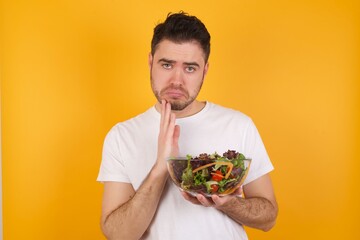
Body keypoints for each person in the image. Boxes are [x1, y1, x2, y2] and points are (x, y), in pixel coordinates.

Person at [97, 11, 278, 240]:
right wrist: (161, 168)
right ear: (151, 62)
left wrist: (227, 203)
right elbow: (118, 234)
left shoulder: (239, 125)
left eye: (190, 68)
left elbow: (268, 218)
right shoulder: (121, 136)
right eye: (167, 65)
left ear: (205, 70)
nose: (177, 80)